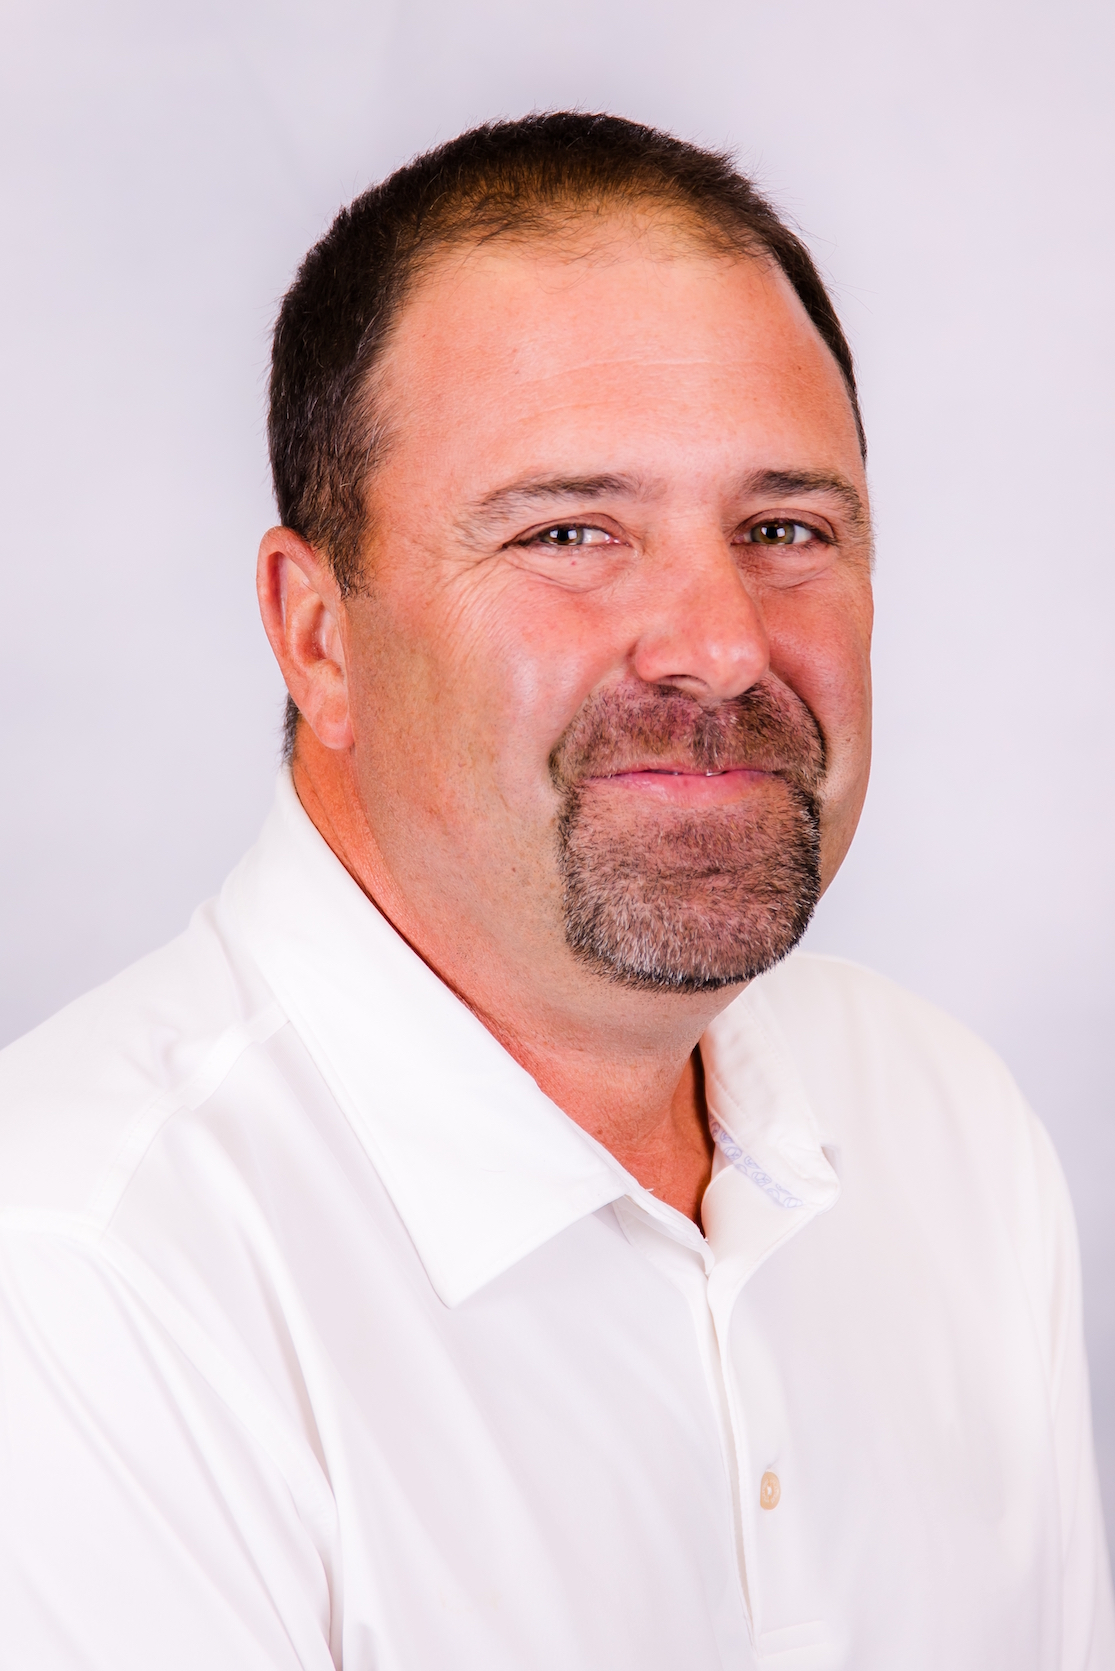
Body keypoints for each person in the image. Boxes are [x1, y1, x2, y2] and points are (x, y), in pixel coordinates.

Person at [0, 112, 1111, 1670]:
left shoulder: (949, 1129)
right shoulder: (77, 1276)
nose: (719, 644)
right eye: (570, 531)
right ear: (317, 633)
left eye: (783, 528)